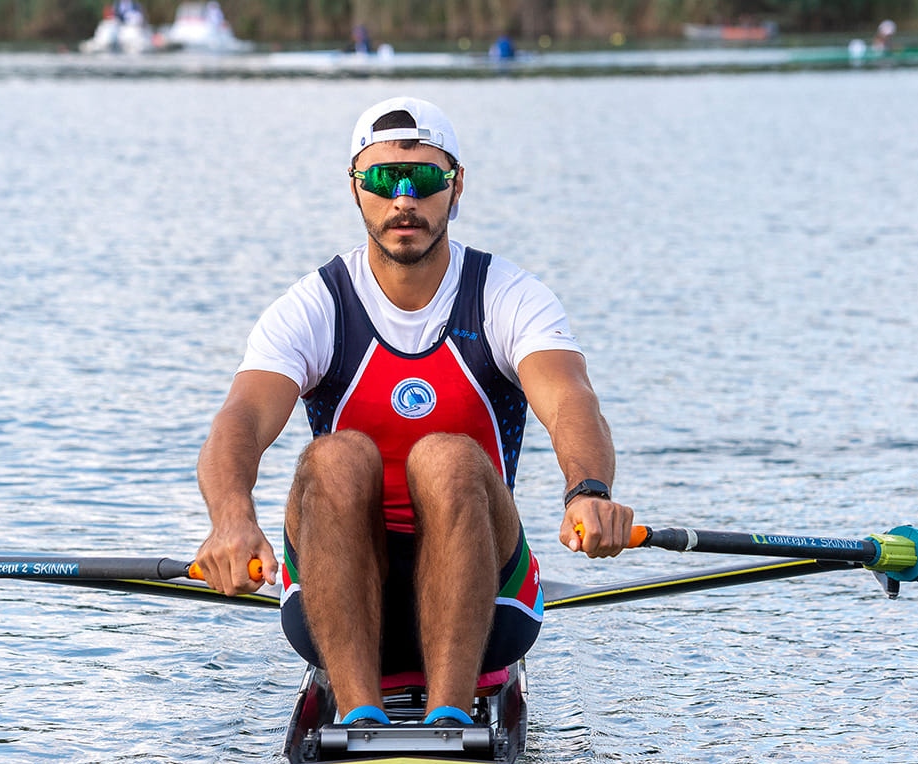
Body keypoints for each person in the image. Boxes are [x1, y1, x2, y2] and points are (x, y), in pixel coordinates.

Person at [193, 97, 633, 726]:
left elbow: (569, 400)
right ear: (355, 191)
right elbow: (240, 419)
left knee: (446, 455)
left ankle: (451, 718)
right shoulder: (314, 304)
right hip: (337, 595)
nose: (404, 200)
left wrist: (588, 491)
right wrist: (231, 520)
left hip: (488, 607)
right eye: (381, 180)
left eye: (426, 179)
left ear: (457, 188)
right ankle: (359, 712)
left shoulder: (507, 296)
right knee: (336, 456)